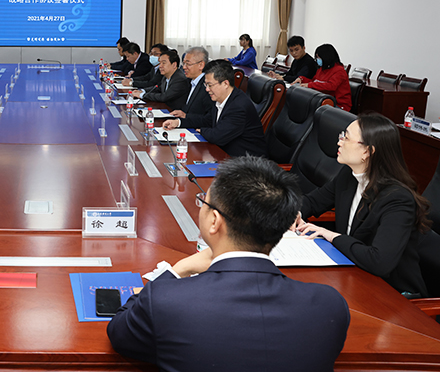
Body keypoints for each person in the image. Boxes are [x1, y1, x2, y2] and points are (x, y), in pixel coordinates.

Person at [107, 156, 350, 372]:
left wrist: (177, 270)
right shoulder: (330, 305)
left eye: (204, 202)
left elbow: (119, 332)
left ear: (214, 221)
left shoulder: (166, 300)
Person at [296, 113, 431, 297]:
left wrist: (332, 236)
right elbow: (312, 202)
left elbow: (379, 261)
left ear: (367, 152)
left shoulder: (398, 199)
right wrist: (294, 213)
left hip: (393, 294)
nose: (339, 142)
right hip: (354, 273)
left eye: (346, 137)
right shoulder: (349, 175)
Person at [163, 59, 266, 157]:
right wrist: (178, 122)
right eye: (206, 85)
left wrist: (201, 131)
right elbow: (207, 120)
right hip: (225, 153)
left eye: (210, 85)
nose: (207, 89)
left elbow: (218, 136)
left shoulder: (239, 106)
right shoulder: (221, 98)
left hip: (247, 161)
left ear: (225, 84)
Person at [292, 43, 352, 111]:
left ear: (326, 57)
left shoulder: (339, 70)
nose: (317, 60)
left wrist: (309, 85)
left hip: (338, 105)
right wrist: (302, 79)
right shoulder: (322, 69)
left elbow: (331, 86)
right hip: (322, 100)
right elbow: (315, 82)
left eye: (319, 57)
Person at [169, 46, 213, 120]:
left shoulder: (208, 86)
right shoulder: (188, 81)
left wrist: (186, 116)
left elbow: (209, 119)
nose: (184, 67)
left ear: (201, 65)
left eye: (188, 64)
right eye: (184, 63)